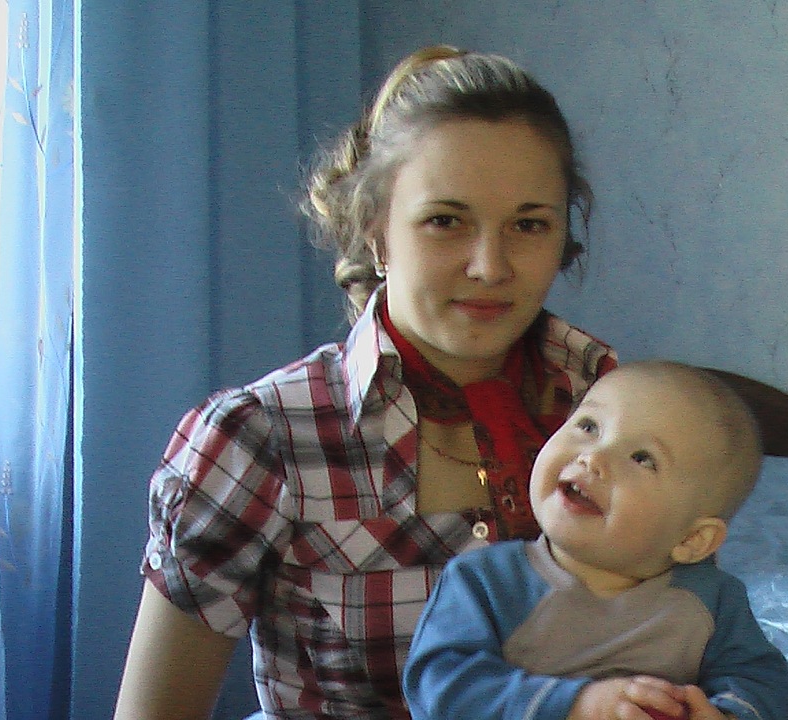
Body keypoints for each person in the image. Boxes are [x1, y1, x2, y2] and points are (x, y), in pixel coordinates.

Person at [113, 45, 619, 720]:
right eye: (446, 221)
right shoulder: (262, 439)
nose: (490, 266)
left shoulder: (611, 410)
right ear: (376, 233)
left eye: (528, 225)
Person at [403, 361, 788, 720]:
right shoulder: (485, 580)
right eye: (589, 427)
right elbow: (439, 687)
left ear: (693, 539)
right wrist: (576, 705)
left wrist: (725, 714)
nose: (593, 457)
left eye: (642, 458)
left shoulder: (713, 599)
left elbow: (765, 685)